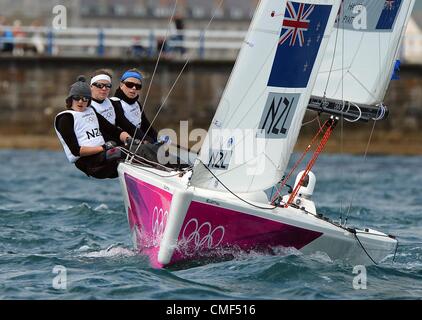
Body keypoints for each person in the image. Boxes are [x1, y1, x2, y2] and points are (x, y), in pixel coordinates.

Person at [54, 76, 131, 179]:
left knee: (136, 149)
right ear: (71, 99)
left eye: (85, 98)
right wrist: (103, 148)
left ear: (89, 100)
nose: (81, 102)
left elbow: (114, 130)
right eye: (77, 98)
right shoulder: (65, 118)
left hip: (104, 157)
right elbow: (76, 151)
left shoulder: (91, 111)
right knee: (124, 152)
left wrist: (129, 139)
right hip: (90, 164)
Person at [110, 68, 158, 143]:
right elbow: (128, 127)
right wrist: (149, 141)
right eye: (130, 85)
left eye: (138, 86)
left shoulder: (137, 104)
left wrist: (157, 138)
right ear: (121, 85)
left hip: (139, 142)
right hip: (124, 144)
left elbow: (146, 126)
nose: (134, 88)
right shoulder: (114, 103)